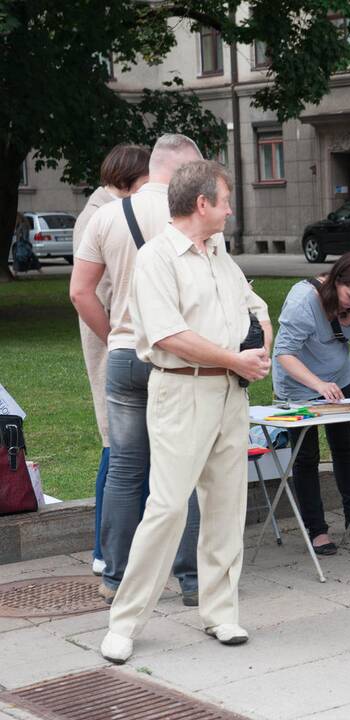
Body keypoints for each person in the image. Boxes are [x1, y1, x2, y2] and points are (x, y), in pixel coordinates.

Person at [100, 160, 272, 664]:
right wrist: (234, 357)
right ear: (202, 204)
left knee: (226, 506)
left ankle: (221, 612)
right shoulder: (157, 258)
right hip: (180, 391)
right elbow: (167, 335)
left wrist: (257, 341)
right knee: (168, 507)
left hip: (230, 394)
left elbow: (255, 305)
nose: (230, 209)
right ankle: (125, 622)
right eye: (225, 200)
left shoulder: (221, 254)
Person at [70, 134, 203, 607]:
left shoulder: (105, 215)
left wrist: (115, 337)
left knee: (125, 469)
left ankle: (116, 577)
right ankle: (191, 580)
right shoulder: (192, 216)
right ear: (181, 170)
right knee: (180, 471)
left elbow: (80, 292)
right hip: (174, 355)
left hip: (125, 355)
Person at [72, 143, 151, 576]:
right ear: (125, 182)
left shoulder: (109, 209)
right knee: (116, 450)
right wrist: (115, 339)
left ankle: (116, 549)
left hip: (118, 346)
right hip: (115, 348)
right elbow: (87, 294)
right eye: (144, 183)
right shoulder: (101, 216)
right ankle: (107, 552)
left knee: (122, 450)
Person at [272, 251, 350, 555]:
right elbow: (284, 353)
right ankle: (316, 529)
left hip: (338, 378)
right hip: (298, 385)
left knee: (345, 447)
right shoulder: (302, 301)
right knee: (306, 457)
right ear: (335, 283)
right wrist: (317, 384)